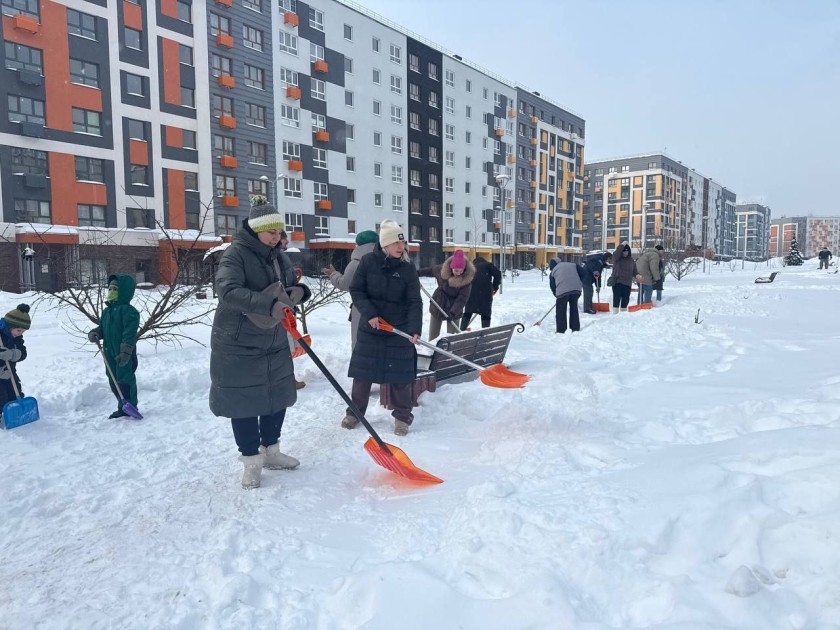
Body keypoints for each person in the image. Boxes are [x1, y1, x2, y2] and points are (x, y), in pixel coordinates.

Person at [210, 199, 307, 489]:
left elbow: (290, 283)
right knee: (244, 401)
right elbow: (227, 290)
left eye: (279, 232)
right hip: (238, 339)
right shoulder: (235, 254)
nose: (277, 238)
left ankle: (272, 452)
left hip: (273, 336)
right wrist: (269, 304)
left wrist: (300, 291)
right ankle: (251, 461)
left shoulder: (278, 255)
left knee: (276, 395)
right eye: (271, 233)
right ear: (256, 230)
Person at [344, 219, 422, 436]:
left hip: (399, 330)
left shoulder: (407, 269)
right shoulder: (368, 262)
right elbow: (356, 290)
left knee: (400, 377)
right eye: (396, 244)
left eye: (403, 243)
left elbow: (415, 301)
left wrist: (414, 329)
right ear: (385, 244)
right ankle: (354, 413)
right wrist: (370, 314)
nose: (401, 247)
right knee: (363, 375)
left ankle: (402, 417)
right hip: (373, 328)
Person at [88, 274, 140, 418]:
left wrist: (126, 351)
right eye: (109, 288)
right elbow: (103, 328)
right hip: (109, 351)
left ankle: (131, 405)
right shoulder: (107, 311)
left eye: (115, 289)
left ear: (124, 291)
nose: (111, 291)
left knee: (125, 379)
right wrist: (96, 333)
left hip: (124, 352)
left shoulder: (129, 311)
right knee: (113, 380)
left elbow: (129, 333)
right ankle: (122, 405)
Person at [322, 230, 379, 349]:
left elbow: (345, 284)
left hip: (362, 309)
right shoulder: (384, 259)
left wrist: (333, 274)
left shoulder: (357, 263)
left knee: (361, 343)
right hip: (382, 308)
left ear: (358, 245)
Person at [418, 249, 475, 340]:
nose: (458, 273)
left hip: (455, 309)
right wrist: (417, 273)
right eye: (456, 270)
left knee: (452, 338)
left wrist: (452, 313)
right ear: (451, 267)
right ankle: (432, 350)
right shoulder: (442, 270)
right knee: (433, 336)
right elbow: (430, 271)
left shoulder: (466, 281)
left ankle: (450, 351)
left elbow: (462, 299)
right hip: (438, 303)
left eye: (461, 271)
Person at [279, 229, 307, 390]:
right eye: (284, 239)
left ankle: (288, 378)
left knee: (287, 346)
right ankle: (288, 380)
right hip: (282, 308)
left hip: (287, 305)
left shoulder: (281, 258)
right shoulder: (278, 258)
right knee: (284, 347)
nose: (287, 243)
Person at [0, 304, 30, 418]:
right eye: (19, 330)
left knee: (16, 394)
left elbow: (23, 353)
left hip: (10, 373)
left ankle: (16, 415)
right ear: (10, 326)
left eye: (23, 332)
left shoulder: (17, 338)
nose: (20, 334)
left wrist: (12, 354)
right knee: (1, 398)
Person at [460, 255, 501, 330]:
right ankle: (485, 331)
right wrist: (495, 287)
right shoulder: (488, 265)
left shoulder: (470, 268)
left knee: (468, 312)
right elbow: (498, 273)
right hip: (485, 293)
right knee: (486, 313)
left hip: (471, 293)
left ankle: (462, 329)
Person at [549, 258, 584, 333]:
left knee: (561, 311)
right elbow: (583, 273)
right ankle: (575, 328)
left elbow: (553, 286)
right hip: (576, 290)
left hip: (562, 292)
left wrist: (557, 295)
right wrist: (580, 284)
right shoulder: (573, 265)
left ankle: (561, 330)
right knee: (574, 308)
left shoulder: (553, 272)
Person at [607, 243, 643, 313]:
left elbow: (634, 271)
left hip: (627, 284)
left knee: (625, 301)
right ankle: (615, 314)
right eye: (624, 251)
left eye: (627, 251)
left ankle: (623, 316)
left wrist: (637, 275)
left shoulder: (631, 260)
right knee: (616, 300)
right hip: (618, 283)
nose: (625, 253)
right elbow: (615, 254)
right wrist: (621, 245)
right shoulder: (617, 259)